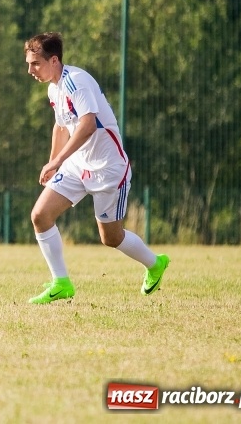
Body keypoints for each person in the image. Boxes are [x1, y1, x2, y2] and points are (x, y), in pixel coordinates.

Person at [24, 32, 169, 304]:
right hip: (78, 164)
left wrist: (56, 161)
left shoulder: (76, 82)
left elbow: (87, 125)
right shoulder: (53, 87)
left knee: (111, 238)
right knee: (40, 216)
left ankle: (155, 263)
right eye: (29, 63)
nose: (30, 69)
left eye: (35, 63)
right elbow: (60, 125)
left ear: (53, 60)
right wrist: (55, 161)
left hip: (108, 169)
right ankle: (61, 282)